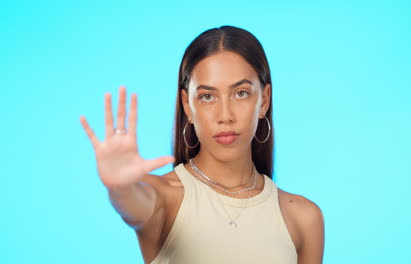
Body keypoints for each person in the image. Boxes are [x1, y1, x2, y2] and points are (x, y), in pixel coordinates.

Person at [80, 25, 324, 264]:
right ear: (188, 105)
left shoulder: (302, 218)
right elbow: (133, 205)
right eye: (207, 96)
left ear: (264, 101)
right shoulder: (166, 198)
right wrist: (120, 188)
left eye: (241, 93)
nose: (225, 115)